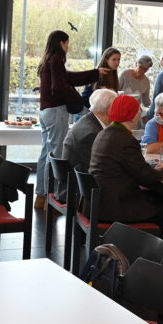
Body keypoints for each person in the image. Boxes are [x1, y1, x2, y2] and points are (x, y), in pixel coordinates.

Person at [90, 95, 163, 232]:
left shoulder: (104, 133)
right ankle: (139, 249)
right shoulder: (125, 140)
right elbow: (145, 176)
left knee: (153, 200)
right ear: (132, 115)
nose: (140, 113)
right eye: (138, 110)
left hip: (101, 201)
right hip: (115, 206)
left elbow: (136, 169)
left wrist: (154, 169)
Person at [34, 30, 105, 210]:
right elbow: (60, 87)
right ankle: (52, 198)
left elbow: (69, 78)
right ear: (61, 43)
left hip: (45, 111)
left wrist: (95, 73)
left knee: (46, 153)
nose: (68, 46)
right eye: (67, 42)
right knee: (57, 154)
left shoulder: (48, 60)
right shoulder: (57, 59)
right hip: (56, 111)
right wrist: (77, 99)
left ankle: (41, 196)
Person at [63, 89, 116, 173]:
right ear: (110, 109)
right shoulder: (92, 134)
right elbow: (99, 169)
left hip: (76, 176)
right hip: (83, 182)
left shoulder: (88, 120)